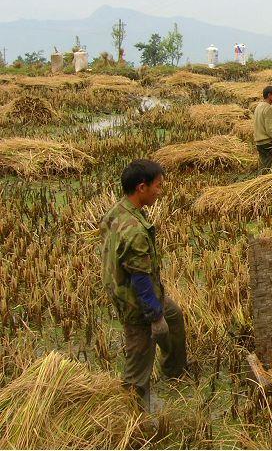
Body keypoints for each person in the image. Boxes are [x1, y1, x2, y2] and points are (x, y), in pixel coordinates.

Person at [99, 159, 187, 412]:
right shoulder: (135, 230)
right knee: (139, 356)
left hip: (135, 291)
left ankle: (174, 371)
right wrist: (155, 316)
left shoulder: (119, 210)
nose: (160, 191)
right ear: (141, 188)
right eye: (158, 186)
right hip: (136, 301)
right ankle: (131, 412)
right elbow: (140, 278)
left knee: (176, 316)